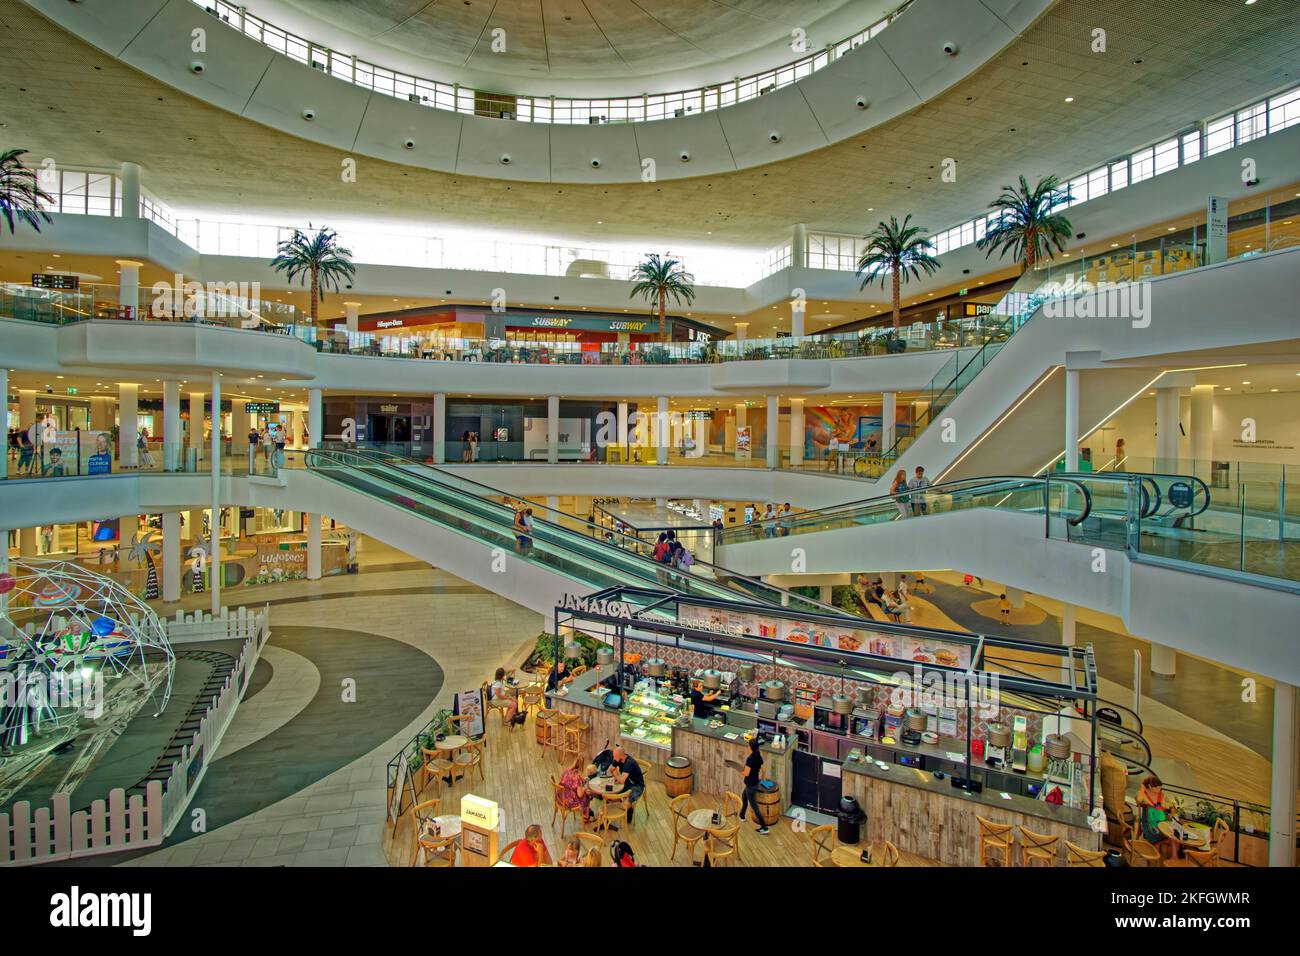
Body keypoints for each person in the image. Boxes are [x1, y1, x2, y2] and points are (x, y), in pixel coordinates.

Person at [738, 737, 770, 834]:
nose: (747, 747)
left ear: (751, 748)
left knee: (755, 807)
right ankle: (742, 815)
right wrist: (761, 780)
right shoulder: (758, 756)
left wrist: (741, 771)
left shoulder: (750, 759)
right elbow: (763, 770)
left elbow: (746, 774)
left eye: (748, 746)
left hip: (751, 785)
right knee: (744, 797)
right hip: (754, 783)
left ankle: (764, 827)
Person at [609, 744, 645, 824]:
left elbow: (621, 780)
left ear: (620, 756)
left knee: (626, 804)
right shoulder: (618, 759)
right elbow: (610, 769)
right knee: (611, 796)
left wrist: (616, 775)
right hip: (627, 783)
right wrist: (617, 775)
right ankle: (619, 807)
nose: (614, 758)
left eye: (615, 757)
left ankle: (629, 811)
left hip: (637, 786)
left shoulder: (629, 762)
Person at [1137, 774, 1171, 851]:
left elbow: (1165, 806)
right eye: (1157, 789)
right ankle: (1156, 846)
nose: (1159, 791)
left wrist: (1167, 806)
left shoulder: (1161, 794)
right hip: (1150, 821)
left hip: (1161, 820)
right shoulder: (1144, 793)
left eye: (1160, 789)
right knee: (1156, 833)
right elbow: (1139, 800)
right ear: (1150, 786)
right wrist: (1142, 788)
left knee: (1172, 832)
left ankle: (1173, 854)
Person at [558, 755, 593, 822]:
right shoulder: (577, 778)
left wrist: (582, 780)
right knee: (586, 795)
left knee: (583, 792)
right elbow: (580, 794)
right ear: (582, 766)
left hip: (560, 796)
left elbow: (568, 782)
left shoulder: (567, 770)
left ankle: (585, 812)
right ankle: (585, 817)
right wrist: (585, 788)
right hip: (568, 801)